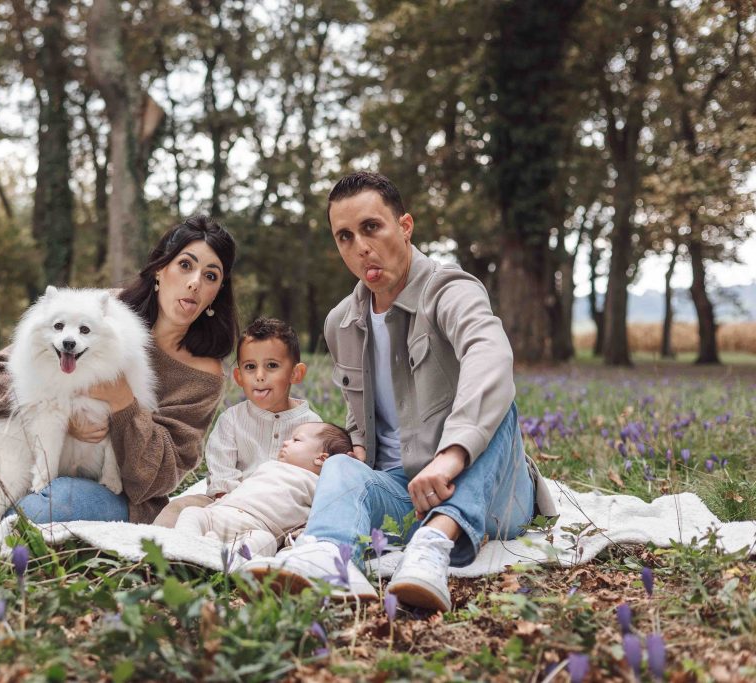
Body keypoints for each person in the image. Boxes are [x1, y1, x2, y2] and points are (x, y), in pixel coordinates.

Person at [238, 172, 556, 611]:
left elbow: (492, 358)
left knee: (503, 406)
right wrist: (352, 463)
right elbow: (359, 417)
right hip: (405, 492)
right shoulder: (340, 323)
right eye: (344, 237)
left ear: (405, 226)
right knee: (341, 464)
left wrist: (451, 457)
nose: (360, 247)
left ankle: (432, 548)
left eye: (372, 228)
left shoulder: (449, 290)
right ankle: (329, 555)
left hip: (492, 492)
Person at [0, 215, 238, 535]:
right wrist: (58, 410)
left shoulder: (203, 374)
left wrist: (122, 404)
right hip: (21, 455)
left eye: (210, 275)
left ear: (218, 291)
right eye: (185, 266)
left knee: (53, 502)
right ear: (161, 269)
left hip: (108, 491)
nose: (195, 283)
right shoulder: (94, 310)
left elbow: (160, 477)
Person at [153, 317, 323, 527]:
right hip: (229, 502)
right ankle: (161, 542)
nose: (259, 376)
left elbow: (315, 477)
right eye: (250, 367)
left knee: (309, 525)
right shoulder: (232, 420)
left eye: (272, 365)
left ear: (296, 374)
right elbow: (222, 469)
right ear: (239, 376)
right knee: (180, 508)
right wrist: (231, 503)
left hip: (283, 511)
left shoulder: (311, 424)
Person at [175, 422, 352, 557]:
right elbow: (245, 488)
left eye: (296, 440)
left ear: (321, 458)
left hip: (256, 527)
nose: (285, 442)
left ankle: (225, 554)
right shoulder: (269, 466)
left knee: (266, 542)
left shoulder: (318, 484)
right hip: (220, 514)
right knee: (192, 513)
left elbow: (321, 516)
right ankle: (187, 545)